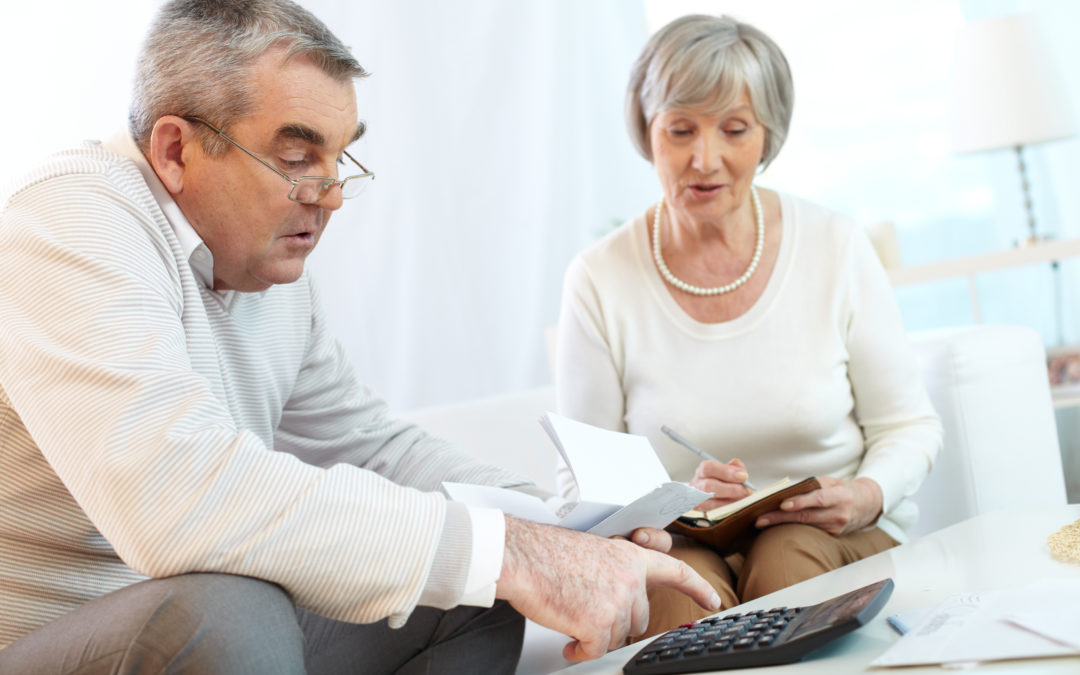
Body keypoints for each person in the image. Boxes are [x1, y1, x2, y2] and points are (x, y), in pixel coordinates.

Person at [0, 2, 723, 673]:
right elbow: (174, 493)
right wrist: (509, 550)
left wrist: (563, 532)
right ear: (173, 149)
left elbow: (376, 448)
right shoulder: (70, 222)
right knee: (229, 608)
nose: (333, 194)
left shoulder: (267, 276)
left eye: (340, 159)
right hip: (56, 635)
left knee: (468, 590)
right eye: (296, 159)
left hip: (200, 618)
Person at [554, 14, 943, 639]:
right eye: (680, 130)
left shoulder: (834, 245)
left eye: (733, 130)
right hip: (680, 537)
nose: (704, 160)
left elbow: (908, 426)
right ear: (647, 133)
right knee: (677, 604)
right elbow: (583, 476)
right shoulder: (600, 277)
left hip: (833, 532)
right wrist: (676, 497)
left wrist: (867, 493)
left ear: (767, 137)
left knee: (787, 565)